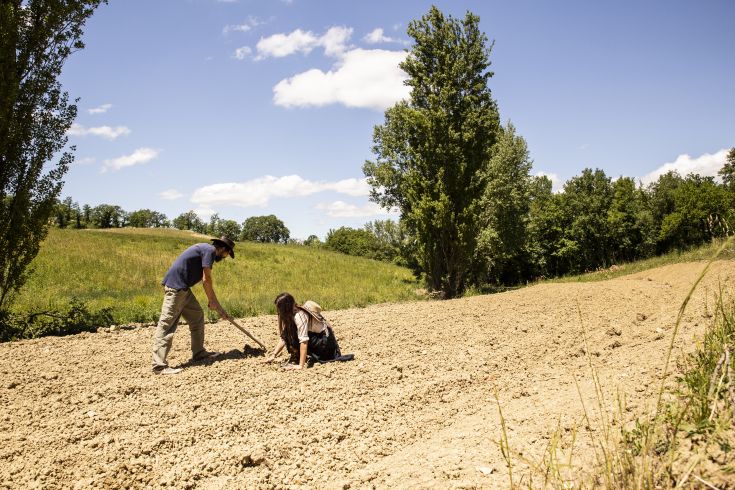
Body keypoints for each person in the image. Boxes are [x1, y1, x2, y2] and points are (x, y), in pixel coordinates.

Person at [151, 236, 235, 375]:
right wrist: (214, 302)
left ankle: (199, 353)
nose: (225, 257)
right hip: (176, 289)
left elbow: (206, 280)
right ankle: (159, 366)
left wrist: (215, 303)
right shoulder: (209, 251)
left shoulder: (205, 249)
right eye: (227, 254)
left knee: (197, 316)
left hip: (183, 289)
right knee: (167, 325)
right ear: (222, 249)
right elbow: (206, 279)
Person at [262, 293, 349, 369]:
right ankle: (296, 357)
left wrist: (301, 365)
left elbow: (304, 341)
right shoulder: (293, 314)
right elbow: (284, 337)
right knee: (290, 332)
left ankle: (297, 359)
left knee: (294, 334)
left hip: (326, 347)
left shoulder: (299, 316)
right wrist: (273, 355)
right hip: (321, 342)